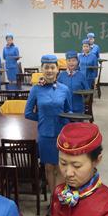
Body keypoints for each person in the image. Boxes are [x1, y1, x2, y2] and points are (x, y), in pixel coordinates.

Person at [25, 54, 72, 195]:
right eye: (46, 67)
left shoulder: (64, 89)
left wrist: (66, 121)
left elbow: (69, 110)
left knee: (61, 167)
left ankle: (61, 196)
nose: (49, 70)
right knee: (48, 168)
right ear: (41, 69)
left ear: (58, 69)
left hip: (61, 133)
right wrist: (42, 118)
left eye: (52, 67)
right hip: (45, 134)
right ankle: (54, 198)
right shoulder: (36, 89)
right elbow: (27, 112)